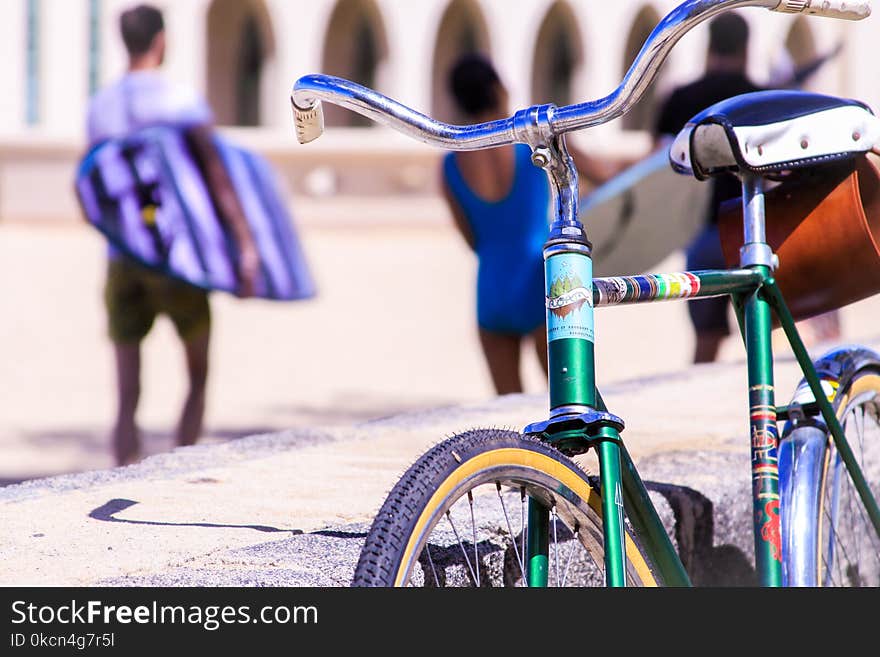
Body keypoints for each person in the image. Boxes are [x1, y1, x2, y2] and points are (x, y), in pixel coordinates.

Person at [85, 4, 259, 465]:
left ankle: (122, 474)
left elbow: (94, 184)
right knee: (198, 374)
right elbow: (217, 178)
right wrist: (244, 244)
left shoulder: (101, 106)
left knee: (126, 395)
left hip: (123, 256)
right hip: (179, 257)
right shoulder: (180, 100)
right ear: (160, 40)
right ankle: (176, 468)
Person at [441, 53, 623, 395]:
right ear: (498, 88)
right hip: (542, 281)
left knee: (509, 407)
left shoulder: (450, 164)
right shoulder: (533, 140)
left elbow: (471, 238)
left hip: (491, 288)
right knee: (569, 402)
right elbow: (604, 176)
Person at [653, 12, 762, 364]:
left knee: (706, 343)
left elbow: (656, 165)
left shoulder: (681, 98)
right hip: (751, 230)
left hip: (700, 234)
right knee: (763, 337)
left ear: (709, 45)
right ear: (746, 48)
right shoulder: (759, 97)